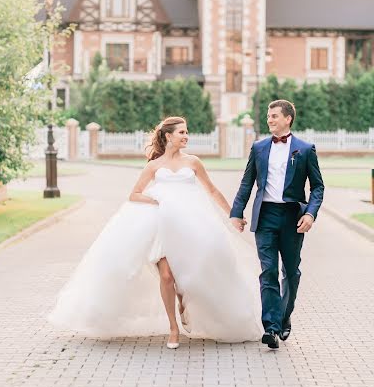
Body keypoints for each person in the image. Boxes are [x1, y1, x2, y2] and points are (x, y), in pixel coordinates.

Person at [48, 116, 262, 348]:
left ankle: (184, 301)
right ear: (168, 136)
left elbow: (212, 190)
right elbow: (135, 194)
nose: (186, 136)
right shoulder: (154, 166)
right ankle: (173, 328)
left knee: (189, 274)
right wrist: (159, 201)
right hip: (162, 227)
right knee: (167, 276)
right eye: (181, 132)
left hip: (191, 226)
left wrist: (233, 214)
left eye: (186, 132)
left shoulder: (193, 162)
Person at [230, 100, 324, 349]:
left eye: (274, 116)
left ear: (287, 119)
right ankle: (271, 328)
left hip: (293, 217)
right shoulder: (259, 148)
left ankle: (284, 315)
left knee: (291, 273)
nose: (269, 120)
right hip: (266, 216)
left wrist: (311, 214)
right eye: (268, 116)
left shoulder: (305, 149)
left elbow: (317, 187)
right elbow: (247, 182)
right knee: (268, 271)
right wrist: (236, 212)